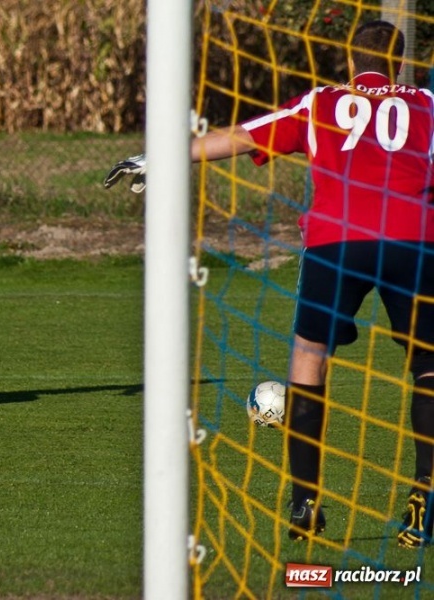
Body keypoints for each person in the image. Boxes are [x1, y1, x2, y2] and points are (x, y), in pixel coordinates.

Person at [106, 20, 434, 547]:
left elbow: (244, 136)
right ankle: (425, 490)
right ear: (399, 64)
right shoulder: (427, 102)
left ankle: (305, 500)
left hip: (335, 241)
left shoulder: (321, 102)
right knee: (427, 363)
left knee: (309, 357)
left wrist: (164, 156)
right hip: (414, 241)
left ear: (350, 61)